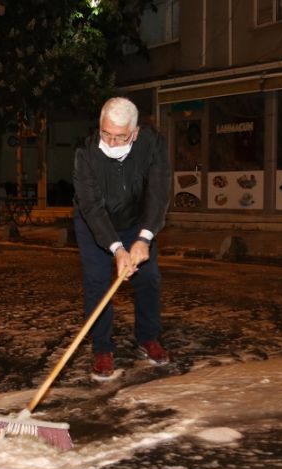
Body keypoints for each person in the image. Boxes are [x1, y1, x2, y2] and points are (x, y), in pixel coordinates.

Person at [72, 96, 172, 380]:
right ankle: (102, 348)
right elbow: (90, 205)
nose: (111, 143)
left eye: (119, 137)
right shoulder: (85, 152)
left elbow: (158, 192)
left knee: (148, 278)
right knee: (98, 283)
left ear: (135, 132)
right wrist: (116, 248)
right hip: (95, 223)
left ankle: (148, 338)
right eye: (106, 134)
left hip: (136, 219)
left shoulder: (152, 144)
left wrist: (144, 237)